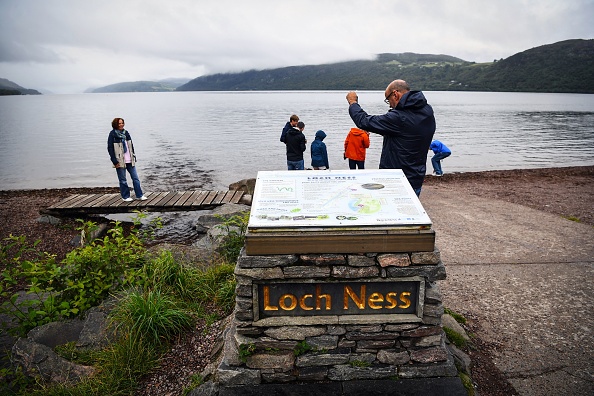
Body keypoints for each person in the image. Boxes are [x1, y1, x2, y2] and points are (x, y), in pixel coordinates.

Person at [346, 79, 436, 196]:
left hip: (395, 181)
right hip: (416, 177)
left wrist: (353, 103)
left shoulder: (399, 118)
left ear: (395, 94)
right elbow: (406, 133)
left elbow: (364, 121)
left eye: (388, 100)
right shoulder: (427, 111)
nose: (390, 105)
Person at [107, 117, 147, 202]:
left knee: (135, 178)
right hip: (120, 160)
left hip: (130, 160)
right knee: (123, 180)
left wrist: (133, 156)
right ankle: (125, 196)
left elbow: (131, 145)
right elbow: (110, 148)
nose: (121, 125)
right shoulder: (112, 134)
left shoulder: (126, 133)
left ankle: (139, 195)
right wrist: (114, 161)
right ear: (115, 124)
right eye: (119, 123)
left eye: (122, 123)